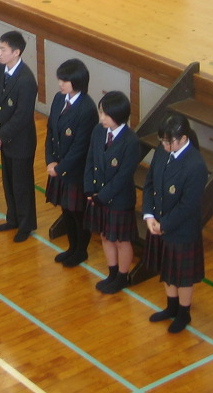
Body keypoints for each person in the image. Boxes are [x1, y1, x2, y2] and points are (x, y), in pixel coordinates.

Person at [143, 113, 207, 333]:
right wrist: (149, 215)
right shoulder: (163, 150)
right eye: (162, 141)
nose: (164, 145)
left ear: (183, 138)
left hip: (182, 229)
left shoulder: (195, 165)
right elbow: (150, 182)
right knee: (167, 268)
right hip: (160, 221)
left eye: (169, 142)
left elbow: (188, 205)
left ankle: (183, 313)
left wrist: (164, 224)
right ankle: (171, 307)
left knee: (183, 276)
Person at [83, 91, 140, 291]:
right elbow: (90, 159)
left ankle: (122, 277)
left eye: (106, 114)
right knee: (106, 236)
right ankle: (112, 273)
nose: (102, 118)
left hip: (119, 200)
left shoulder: (131, 141)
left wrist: (103, 196)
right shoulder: (98, 131)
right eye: (101, 112)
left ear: (119, 115)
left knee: (121, 240)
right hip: (98, 195)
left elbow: (123, 176)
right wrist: (89, 188)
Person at [45, 59, 99, 267]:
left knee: (78, 213)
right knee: (66, 210)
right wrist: (50, 160)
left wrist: (60, 168)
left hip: (76, 171)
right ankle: (71, 247)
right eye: (60, 79)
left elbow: (80, 147)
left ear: (77, 81)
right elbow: (51, 131)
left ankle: (80, 251)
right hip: (59, 167)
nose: (60, 84)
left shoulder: (87, 109)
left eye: (65, 80)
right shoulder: (59, 99)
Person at [0, 30, 39, 242]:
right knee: (8, 181)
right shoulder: (0, 70)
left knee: (22, 184)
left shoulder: (26, 80)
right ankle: (13, 218)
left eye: (3, 49)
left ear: (16, 52)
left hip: (20, 141)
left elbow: (22, 116)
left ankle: (26, 224)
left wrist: (1, 135)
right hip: (3, 138)